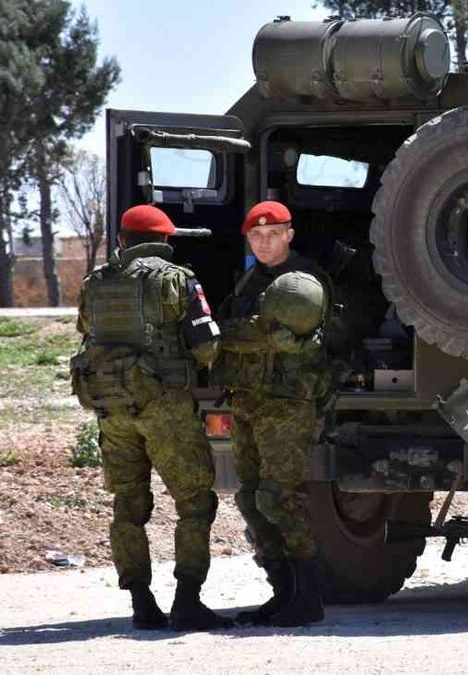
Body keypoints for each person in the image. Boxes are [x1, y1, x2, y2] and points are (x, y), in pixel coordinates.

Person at [70, 204, 229, 631]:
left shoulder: (95, 283)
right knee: (194, 501)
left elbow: (87, 331)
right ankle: (187, 600)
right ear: (166, 242)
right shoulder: (177, 279)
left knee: (129, 503)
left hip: (112, 409)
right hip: (165, 408)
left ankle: (141, 601)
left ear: (121, 241)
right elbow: (206, 345)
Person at [213, 201, 333, 627]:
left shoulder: (303, 282)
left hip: (286, 403)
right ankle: (283, 592)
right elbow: (247, 333)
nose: (264, 242)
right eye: (256, 236)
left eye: (273, 233)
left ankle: (309, 595)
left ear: (289, 234)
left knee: (278, 497)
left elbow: (285, 341)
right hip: (248, 399)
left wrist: (236, 334)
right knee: (250, 497)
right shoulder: (251, 280)